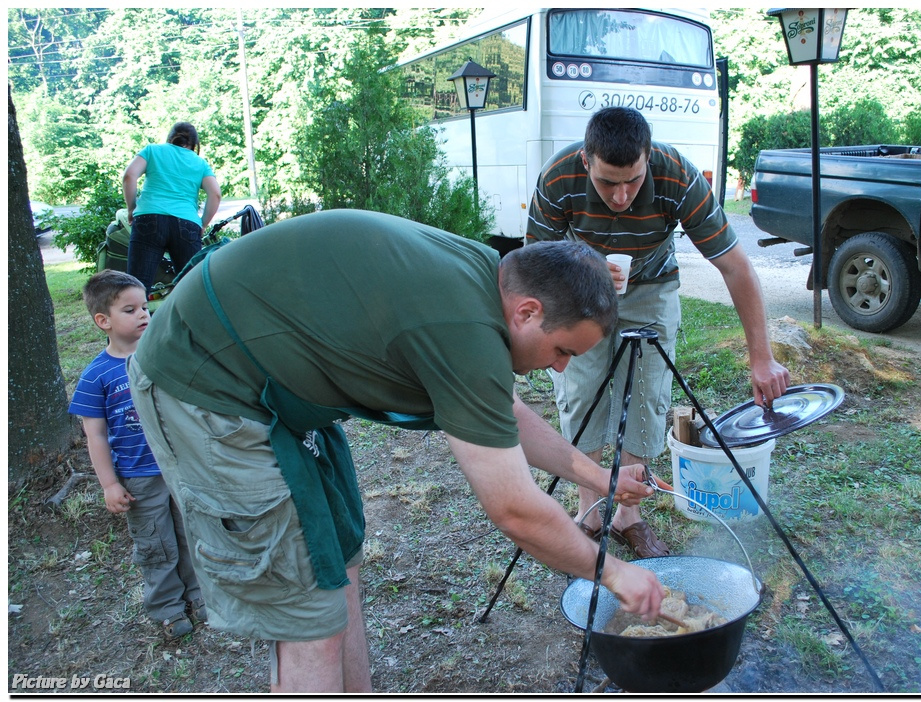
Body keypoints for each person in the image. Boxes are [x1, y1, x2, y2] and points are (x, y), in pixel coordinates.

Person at [126, 209, 667, 692]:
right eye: (562, 350)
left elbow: (505, 412)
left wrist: (601, 480)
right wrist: (615, 573)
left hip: (276, 388)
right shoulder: (464, 328)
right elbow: (516, 511)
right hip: (208, 385)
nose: (561, 367)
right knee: (308, 619)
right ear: (527, 312)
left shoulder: (485, 279)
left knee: (339, 570)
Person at [527, 106, 791, 558]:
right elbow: (532, 265)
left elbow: (736, 267)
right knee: (582, 392)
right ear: (586, 161)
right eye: (608, 182)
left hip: (652, 286)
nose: (621, 194)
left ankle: (629, 515)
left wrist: (761, 357)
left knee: (647, 395)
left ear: (648, 157)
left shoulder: (678, 178)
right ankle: (591, 512)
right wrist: (586, 269)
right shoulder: (557, 179)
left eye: (632, 179)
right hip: (579, 288)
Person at [68, 270, 205, 640]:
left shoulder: (163, 356)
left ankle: (201, 593)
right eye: (130, 309)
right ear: (103, 321)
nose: (144, 314)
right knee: (155, 542)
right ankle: (167, 607)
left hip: (178, 467)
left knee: (191, 532)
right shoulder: (97, 375)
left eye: (145, 306)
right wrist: (110, 484)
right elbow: (95, 435)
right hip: (140, 476)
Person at [122, 121, 222, 295]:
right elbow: (215, 194)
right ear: (195, 144)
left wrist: (131, 208)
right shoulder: (200, 163)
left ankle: (142, 322)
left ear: (170, 137)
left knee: (138, 287)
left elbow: (129, 176)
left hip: (148, 219)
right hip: (187, 224)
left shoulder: (152, 151)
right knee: (192, 289)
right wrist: (203, 223)